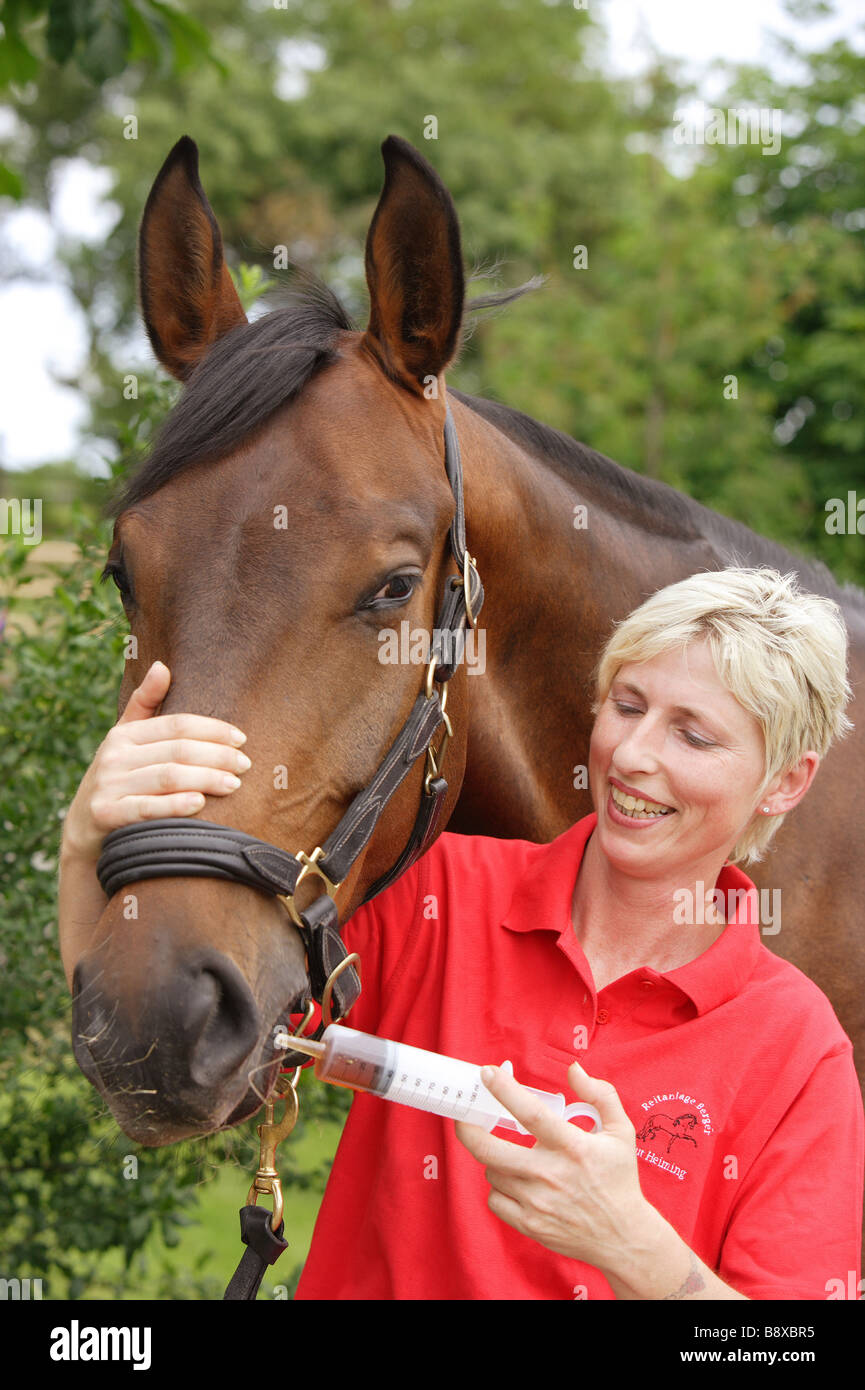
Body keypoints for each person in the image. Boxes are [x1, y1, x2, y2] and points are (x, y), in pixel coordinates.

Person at [58, 567, 864, 1299]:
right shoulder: (434, 890)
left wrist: (635, 1251)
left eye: (692, 735)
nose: (631, 754)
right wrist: (84, 844)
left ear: (784, 782)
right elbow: (154, 1060)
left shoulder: (796, 1052)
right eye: (626, 705)